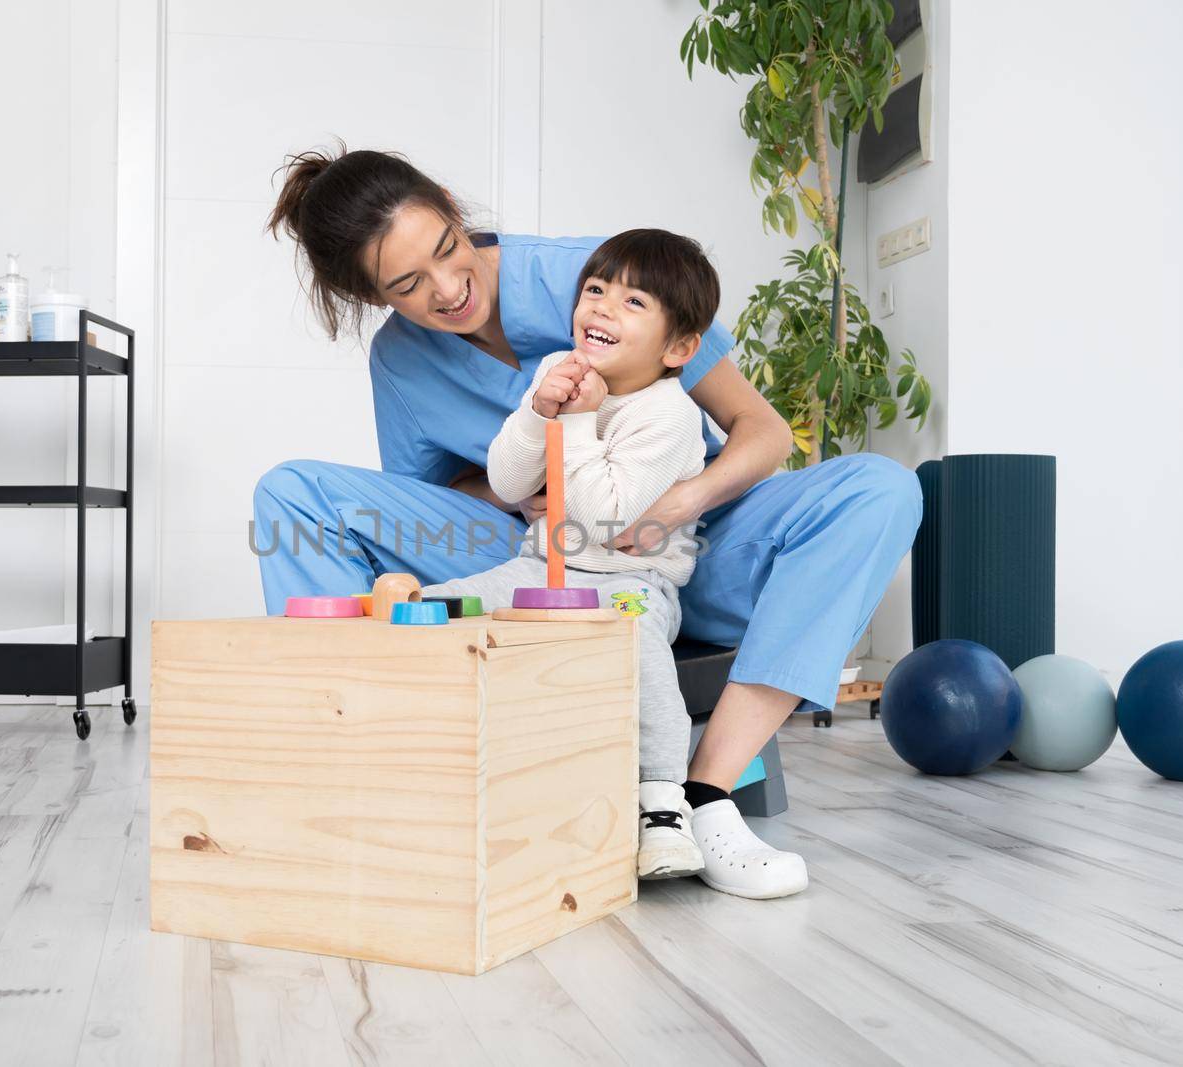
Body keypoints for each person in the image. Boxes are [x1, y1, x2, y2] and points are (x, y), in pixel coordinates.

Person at [258, 146, 922, 899]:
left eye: (448, 248)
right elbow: (444, 496)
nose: (449, 288)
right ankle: (354, 771)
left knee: (882, 489)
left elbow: (762, 431)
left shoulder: (599, 280)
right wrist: (524, 489)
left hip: (693, 543)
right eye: (407, 284)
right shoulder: (400, 364)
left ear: (451, 205)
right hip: (536, 556)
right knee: (291, 497)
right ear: (372, 293)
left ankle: (702, 796)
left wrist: (680, 501)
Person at [421, 227, 717, 883]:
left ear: (679, 347)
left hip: (632, 583)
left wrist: (577, 421)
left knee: (638, 646)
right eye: (595, 290)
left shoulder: (669, 415)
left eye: (633, 302)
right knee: (442, 605)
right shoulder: (559, 371)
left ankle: (663, 806)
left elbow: (602, 517)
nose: (603, 308)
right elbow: (505, 481)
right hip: (539, 569)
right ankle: (431, 761)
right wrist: (538, 412)